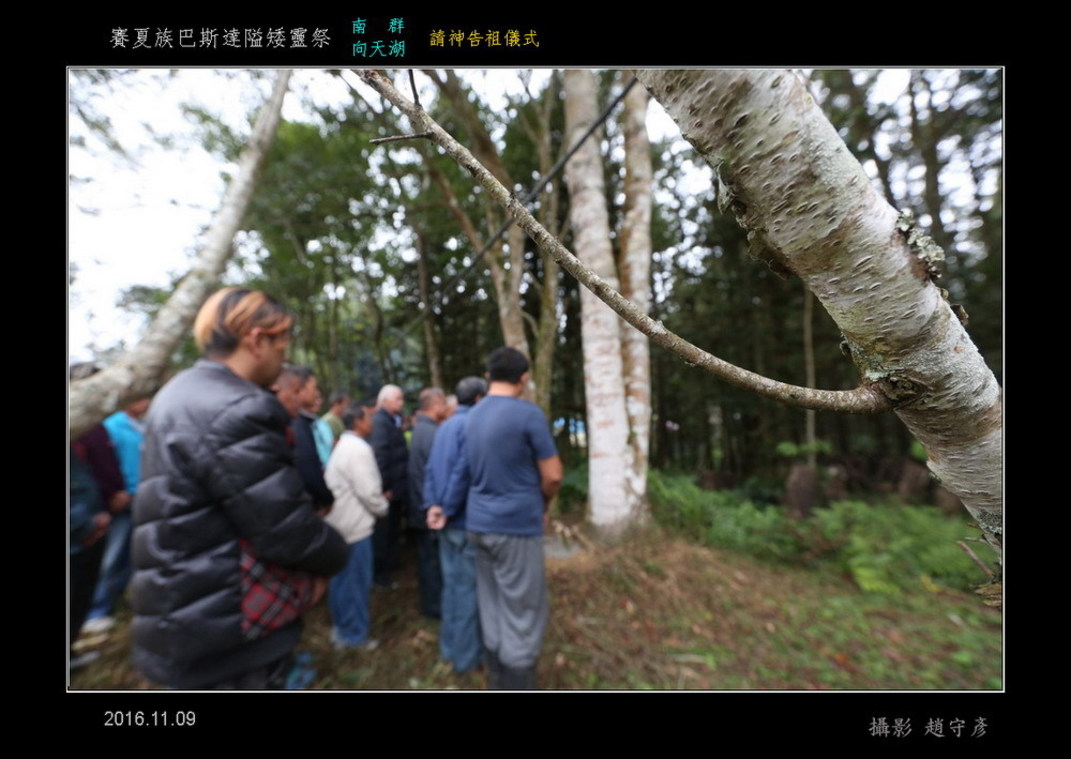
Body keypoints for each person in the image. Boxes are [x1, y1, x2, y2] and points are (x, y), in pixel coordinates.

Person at [130, 287, 348, 689]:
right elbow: (284, 527)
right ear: (256, 339)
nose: (284, 357)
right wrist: (335, 554)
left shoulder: (177, 394)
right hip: (225, 622)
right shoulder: (237, 407)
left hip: (181, 608)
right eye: (281, 344)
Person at [464, 348, 562, 689]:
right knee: (522, 607)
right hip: (515, 525)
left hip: (478, 523)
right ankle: (517, 681)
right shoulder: (527, 414)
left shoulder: (471, 415)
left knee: (491, 600)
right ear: (523, 378)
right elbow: (553, 475)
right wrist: (543, 502)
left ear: (488, 376)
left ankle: (496, 677)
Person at [424, 376, 486, 674]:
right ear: (479, 400)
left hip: (445, 521)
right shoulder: (473, 426)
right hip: (462, 521)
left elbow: (430, 471)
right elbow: (462, 472)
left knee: (451, 588)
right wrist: (447, 509)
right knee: (467, 593)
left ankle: (449, 650)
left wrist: (433, 506)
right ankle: (466, 658)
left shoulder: (445, 426)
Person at [323, 403, 389, 650]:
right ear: (359, 422)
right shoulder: (359, 449)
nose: (372, 421)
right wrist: (383, 508)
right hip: (354, 527)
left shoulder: (343, 445)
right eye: (368, 417)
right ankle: (354, 636)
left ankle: (341, 628)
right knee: (355, 583)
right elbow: (369, 492)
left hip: (339, 524)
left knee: (341, 582)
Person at [83, 396, 151, 633]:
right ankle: (97, 610)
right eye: (140, 398)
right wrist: (114, 492)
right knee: (112, 557)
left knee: (135, 555)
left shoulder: (144, 425)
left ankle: (122, 599)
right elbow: (105, 463)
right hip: (121, 499)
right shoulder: (112, 425)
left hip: (143, 496)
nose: (145, 402)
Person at [407, 387, 447, 619]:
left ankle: (431, 603)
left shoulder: (420, 429)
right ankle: (433, 606)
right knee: (431, 560)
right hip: (427, 506)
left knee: (427, 558)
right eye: (443, 403)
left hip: (419, 503)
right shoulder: (432, 433)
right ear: (435, 405)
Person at [275, 365, 335, 513]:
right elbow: (307, 465)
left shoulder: (305, 421)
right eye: (313, 388)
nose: (316, 394)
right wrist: (325, 499)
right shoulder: (296, 423)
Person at [369, 384, 408, 588]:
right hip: (389, 489)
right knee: (383, 533)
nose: (401, 403)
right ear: (384, 401)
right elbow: (380, 456)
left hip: (397, 486)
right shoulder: (380, 422)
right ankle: (380, 574)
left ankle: (391, 564)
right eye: (397, 399)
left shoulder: (392, 420)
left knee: (393, 529)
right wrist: (385, 487)